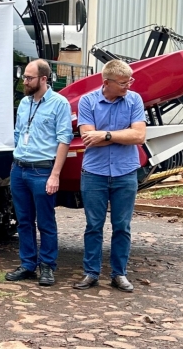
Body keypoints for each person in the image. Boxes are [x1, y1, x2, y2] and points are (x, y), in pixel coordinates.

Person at [73, 60, 145, 292]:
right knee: (93, 225)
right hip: (95, 173)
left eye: (129, 81)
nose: (128, 86)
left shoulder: (134, 99)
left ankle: (119, 274)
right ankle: (91, 273)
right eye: (124, 83)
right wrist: (121, 134)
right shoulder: (88, 101)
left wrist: (104, 135)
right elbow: (87, 137)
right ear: (107, 82)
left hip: (125, 172)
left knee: (122, 226)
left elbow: (139, 136)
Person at [5, 59, 72, 287]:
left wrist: (55, 174)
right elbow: (17, 133)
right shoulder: (24, 103)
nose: (25, 81)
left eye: (29, 78)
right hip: (19, 168)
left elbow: (64, 140)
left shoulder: (59, 103)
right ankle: (27, 264)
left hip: (42, 170)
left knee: (45, 222)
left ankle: (47, 266)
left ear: (44, 79)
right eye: (24, 77)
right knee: (23, 221)